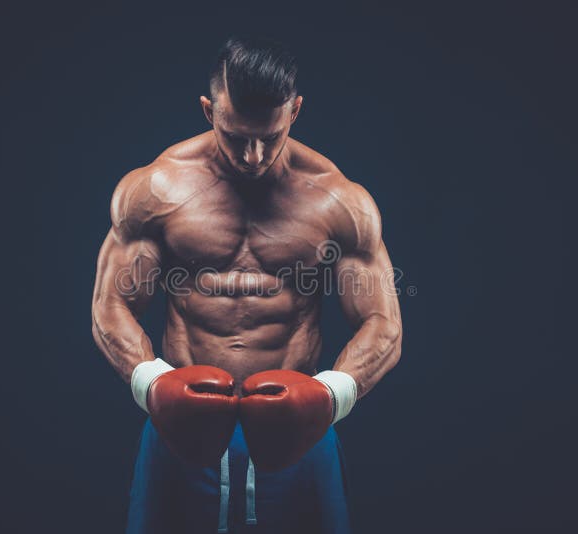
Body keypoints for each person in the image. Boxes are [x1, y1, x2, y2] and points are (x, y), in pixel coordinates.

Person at [91, 36, 403, 534]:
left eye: (270, 136)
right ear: (207, 109)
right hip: (178, 425)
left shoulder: (337, 199)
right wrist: (150, 383)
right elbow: (111, 305)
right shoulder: (156, 189)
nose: (254, 155)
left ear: (295, 111)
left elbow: (383, 324)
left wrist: (330, 395)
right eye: (236, 136)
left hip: (301, 426)